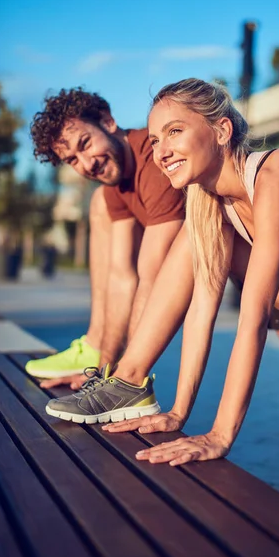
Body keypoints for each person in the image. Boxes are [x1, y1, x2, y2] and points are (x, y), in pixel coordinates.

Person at [44, 80, 279, 448]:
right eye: (155, 141)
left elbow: (253, 317)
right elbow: (200, 314)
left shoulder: (278, 173)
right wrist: (180, 412)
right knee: (194, 238)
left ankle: (130, 380)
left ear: (222, 130)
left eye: (174, 132)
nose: (162, 151)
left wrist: (220, 436)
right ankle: (129, 383)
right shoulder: (209, 201)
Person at [27, 87, 186, 416]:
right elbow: (121, 278)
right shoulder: (116, 182)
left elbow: (151, 279)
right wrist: (103, 371)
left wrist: (124, 380)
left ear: (108, 121)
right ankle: (99, 354)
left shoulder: (154, 162)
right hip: (249, 280)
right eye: (72, 159)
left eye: (85, 144)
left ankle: (127, 380)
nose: (86, 164)